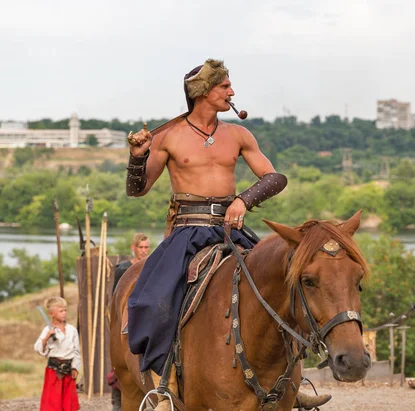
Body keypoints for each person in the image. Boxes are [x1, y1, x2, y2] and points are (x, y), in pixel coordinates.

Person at [124, 59, 329, 410]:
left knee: (283, 285)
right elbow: (137, 189)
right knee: (153, 300)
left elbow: (274, 178)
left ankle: (293, 381)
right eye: (224, 87)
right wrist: (137, 157)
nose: (232, 92)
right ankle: (165, 385)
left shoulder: (238, 134)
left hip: (230, 231)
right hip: (187, 232)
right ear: (203, 92)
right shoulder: (168, 136)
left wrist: (243, 200)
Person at [108, 232, 150, 411]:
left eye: (147, 247)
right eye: (140, 247)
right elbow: (116, 299)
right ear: (133, 248)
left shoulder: (152, 266)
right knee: (120, 368)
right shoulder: (123, 268)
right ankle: (118, 403)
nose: (144, 251)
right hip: (126, 317)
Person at [34, 296, 81, 411]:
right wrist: (46, 338)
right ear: (52, 314)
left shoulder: (72, 330)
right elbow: (38, 348)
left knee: (68, 403)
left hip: (68, 369)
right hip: (54, 371)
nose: (64, 313)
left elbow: (76, 351)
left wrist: (75, 367)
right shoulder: (48, 330)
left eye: (65, 310)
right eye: (61, 311)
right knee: (53, 404)